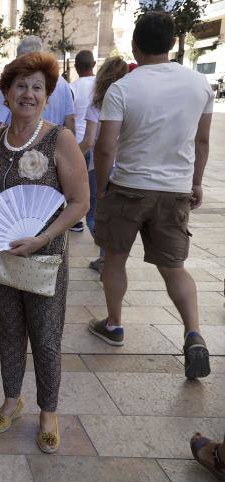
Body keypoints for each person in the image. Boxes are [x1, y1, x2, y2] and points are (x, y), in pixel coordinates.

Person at [89, 11, 214, 380]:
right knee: (173, 267)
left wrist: (101, 187)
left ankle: (114, 324)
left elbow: (106, 147)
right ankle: (193, 332)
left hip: (128, 187)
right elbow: (202, 140)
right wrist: (196, 182)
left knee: (114, 259)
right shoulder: (199, 85)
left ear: (135, 46)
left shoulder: (123, 87)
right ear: (174, 43)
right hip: (174, 190)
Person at [0, 52, 89, 454]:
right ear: (5, 94)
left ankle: (48, 411)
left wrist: (42, 238)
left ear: (47, 95)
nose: (28, 93)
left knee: (45, 336)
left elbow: (79, 202)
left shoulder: (59, 139)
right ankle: (12, 399)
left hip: (45, 257)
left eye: (37, 87)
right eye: (20, 86)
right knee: (9, 333)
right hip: (4, 254)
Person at [78, 57, 129, 273]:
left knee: (93, 215)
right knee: (114, 217)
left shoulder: (98, 105)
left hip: (99, 167)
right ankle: (105, 258)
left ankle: (106, 256)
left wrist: (73, 154)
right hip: (126, 169)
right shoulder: (130, 102)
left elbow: (90, 141)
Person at [0, 36, 75, 137]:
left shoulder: (15, 81)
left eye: (37, 88)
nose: (29, 94)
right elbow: (70, 120)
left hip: (17, 144)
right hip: (54, 145)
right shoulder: (63, 83)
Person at [69, 50, 97, 233]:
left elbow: (69, 118)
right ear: (94, 64)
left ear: (76, 67)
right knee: (95, 187)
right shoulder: (103, 85)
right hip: (99, 141)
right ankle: (94, 222)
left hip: (79, 141)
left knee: (76, 185)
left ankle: (76, 220)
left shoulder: (73, 88)